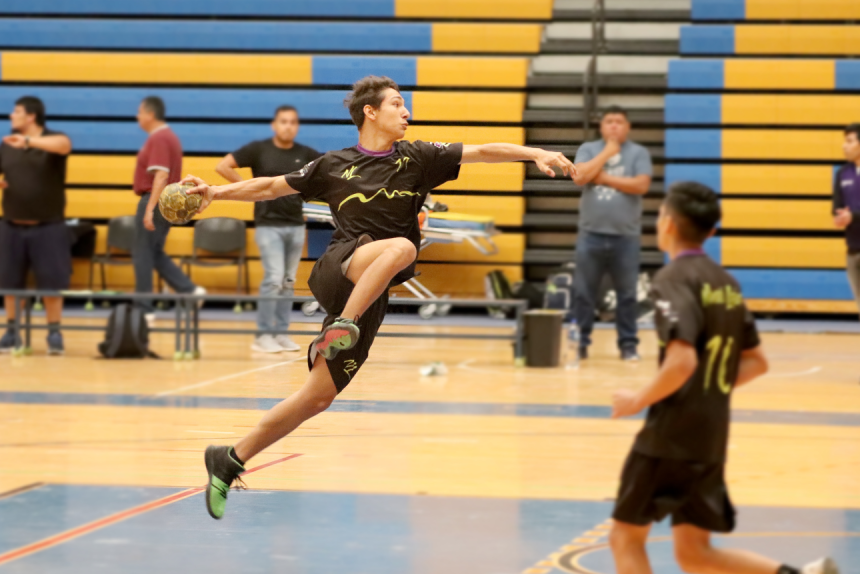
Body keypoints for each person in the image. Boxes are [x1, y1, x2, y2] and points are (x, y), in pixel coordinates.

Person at [181, 75, 576, 520]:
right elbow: (272, 186)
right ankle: (343, 327)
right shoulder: (334, 165)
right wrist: (215, 192)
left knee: (316, 397)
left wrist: (536, 152)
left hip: (370, 293)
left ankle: (230, 459)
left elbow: (485, 151)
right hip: (340, 269)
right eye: (397, 104)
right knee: (403, 247)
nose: (406, 112)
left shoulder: (419, 157)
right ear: (370, 112)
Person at [609, 182, 838, 574]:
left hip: (670, 435)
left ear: (666, 223)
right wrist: (707, 391)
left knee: (625, 538)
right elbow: (756, 362)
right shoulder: (726, 283)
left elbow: (681, 362)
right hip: (711, 434)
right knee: (695, 553)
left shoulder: (672, 278)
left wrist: (637, 399)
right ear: (711, 231)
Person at [216, 105, 321, 353]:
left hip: (295, 224)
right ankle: (263, 335)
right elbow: (223, 166)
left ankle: (281, 334)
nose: (288, 126)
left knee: (287, 281)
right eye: (283, 121)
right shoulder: (258, 149)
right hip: (268, 224)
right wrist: (248, 188)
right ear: (275, 125)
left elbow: (324, 175)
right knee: (273, 279)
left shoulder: (305, 153)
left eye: (293, 122)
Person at [572, 105, 653, 362]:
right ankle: (580, 343)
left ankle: (628, 345)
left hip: (626, 237)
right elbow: (580, 177)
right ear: (602, 126)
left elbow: (641, 185)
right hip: (590, 235)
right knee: (584, 292)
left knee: (627, 295)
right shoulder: (589, 149)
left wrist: (604, 177)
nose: (615, 126)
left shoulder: (639, 153)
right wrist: (607, 152)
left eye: (620, 121)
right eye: (609, 121)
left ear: (628, 127)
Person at [0, 96, 72, 355]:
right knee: (8, 282)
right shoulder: (6, 145)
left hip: (48, 226)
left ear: (31, 116)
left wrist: (28, 141)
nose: (11, 116)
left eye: (16, 111)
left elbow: (64, 146)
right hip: (11, 224)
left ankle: (54, 332)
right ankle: (11, 331)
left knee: (52, 283)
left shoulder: (53, 139)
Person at [132, 96, 203, 323]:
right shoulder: (166, 137)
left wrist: (149, 208)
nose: (138, 117)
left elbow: (161, 175)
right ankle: (189, 291)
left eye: (140, 112)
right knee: (153, 252)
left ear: (150, 114)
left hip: (154, 200)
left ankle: (144, 309)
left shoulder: (161, 138)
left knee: (142, 252)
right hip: (162, 202)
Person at [833, 123, 860, 318]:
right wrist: (840, 216)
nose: (845, 146)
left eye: (850, 141)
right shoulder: (842, 173)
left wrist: (854, 217)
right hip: (852, 250)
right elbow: (837, 206)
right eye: (845, 141)